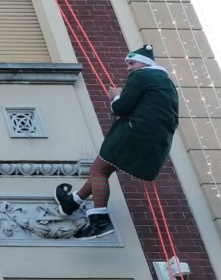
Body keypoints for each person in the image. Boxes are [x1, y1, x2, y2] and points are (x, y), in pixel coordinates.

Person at [55, 44, 179, 239]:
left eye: (132, 63)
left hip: (135, 132)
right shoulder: (166, 82)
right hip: (156, 141)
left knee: (98, 169)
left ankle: (100, 222)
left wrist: (116, 96)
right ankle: (71, 203)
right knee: (104, 168)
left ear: (144, 63)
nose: (128, 68)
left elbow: (121, 108)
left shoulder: (143, 76)